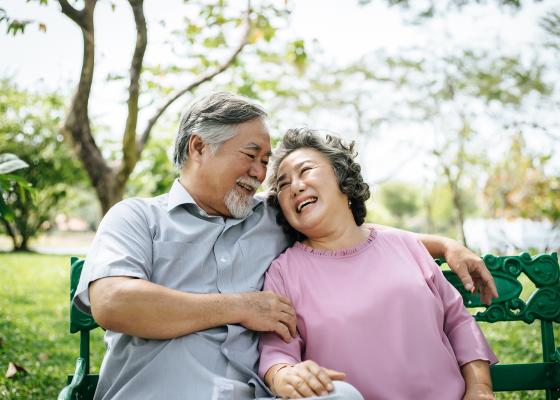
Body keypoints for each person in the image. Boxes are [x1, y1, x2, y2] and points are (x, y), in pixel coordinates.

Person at [73, 92, 498, 400]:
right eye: (252, 156)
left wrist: (443, 245)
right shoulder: (136, 218)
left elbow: (348, 230)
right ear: (199, 147)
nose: (261, 174)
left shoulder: (272, 218)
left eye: (265, 163)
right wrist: (239, 307)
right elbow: (113, 303)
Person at [259, 128, 498, 400]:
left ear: (342, 179)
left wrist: (480, 387)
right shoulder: (284, 272)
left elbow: (458, 322)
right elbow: (277, 352)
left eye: (306, 171)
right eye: (283, 184)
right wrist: (282, 375)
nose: (295, 186)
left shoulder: (404, 244)